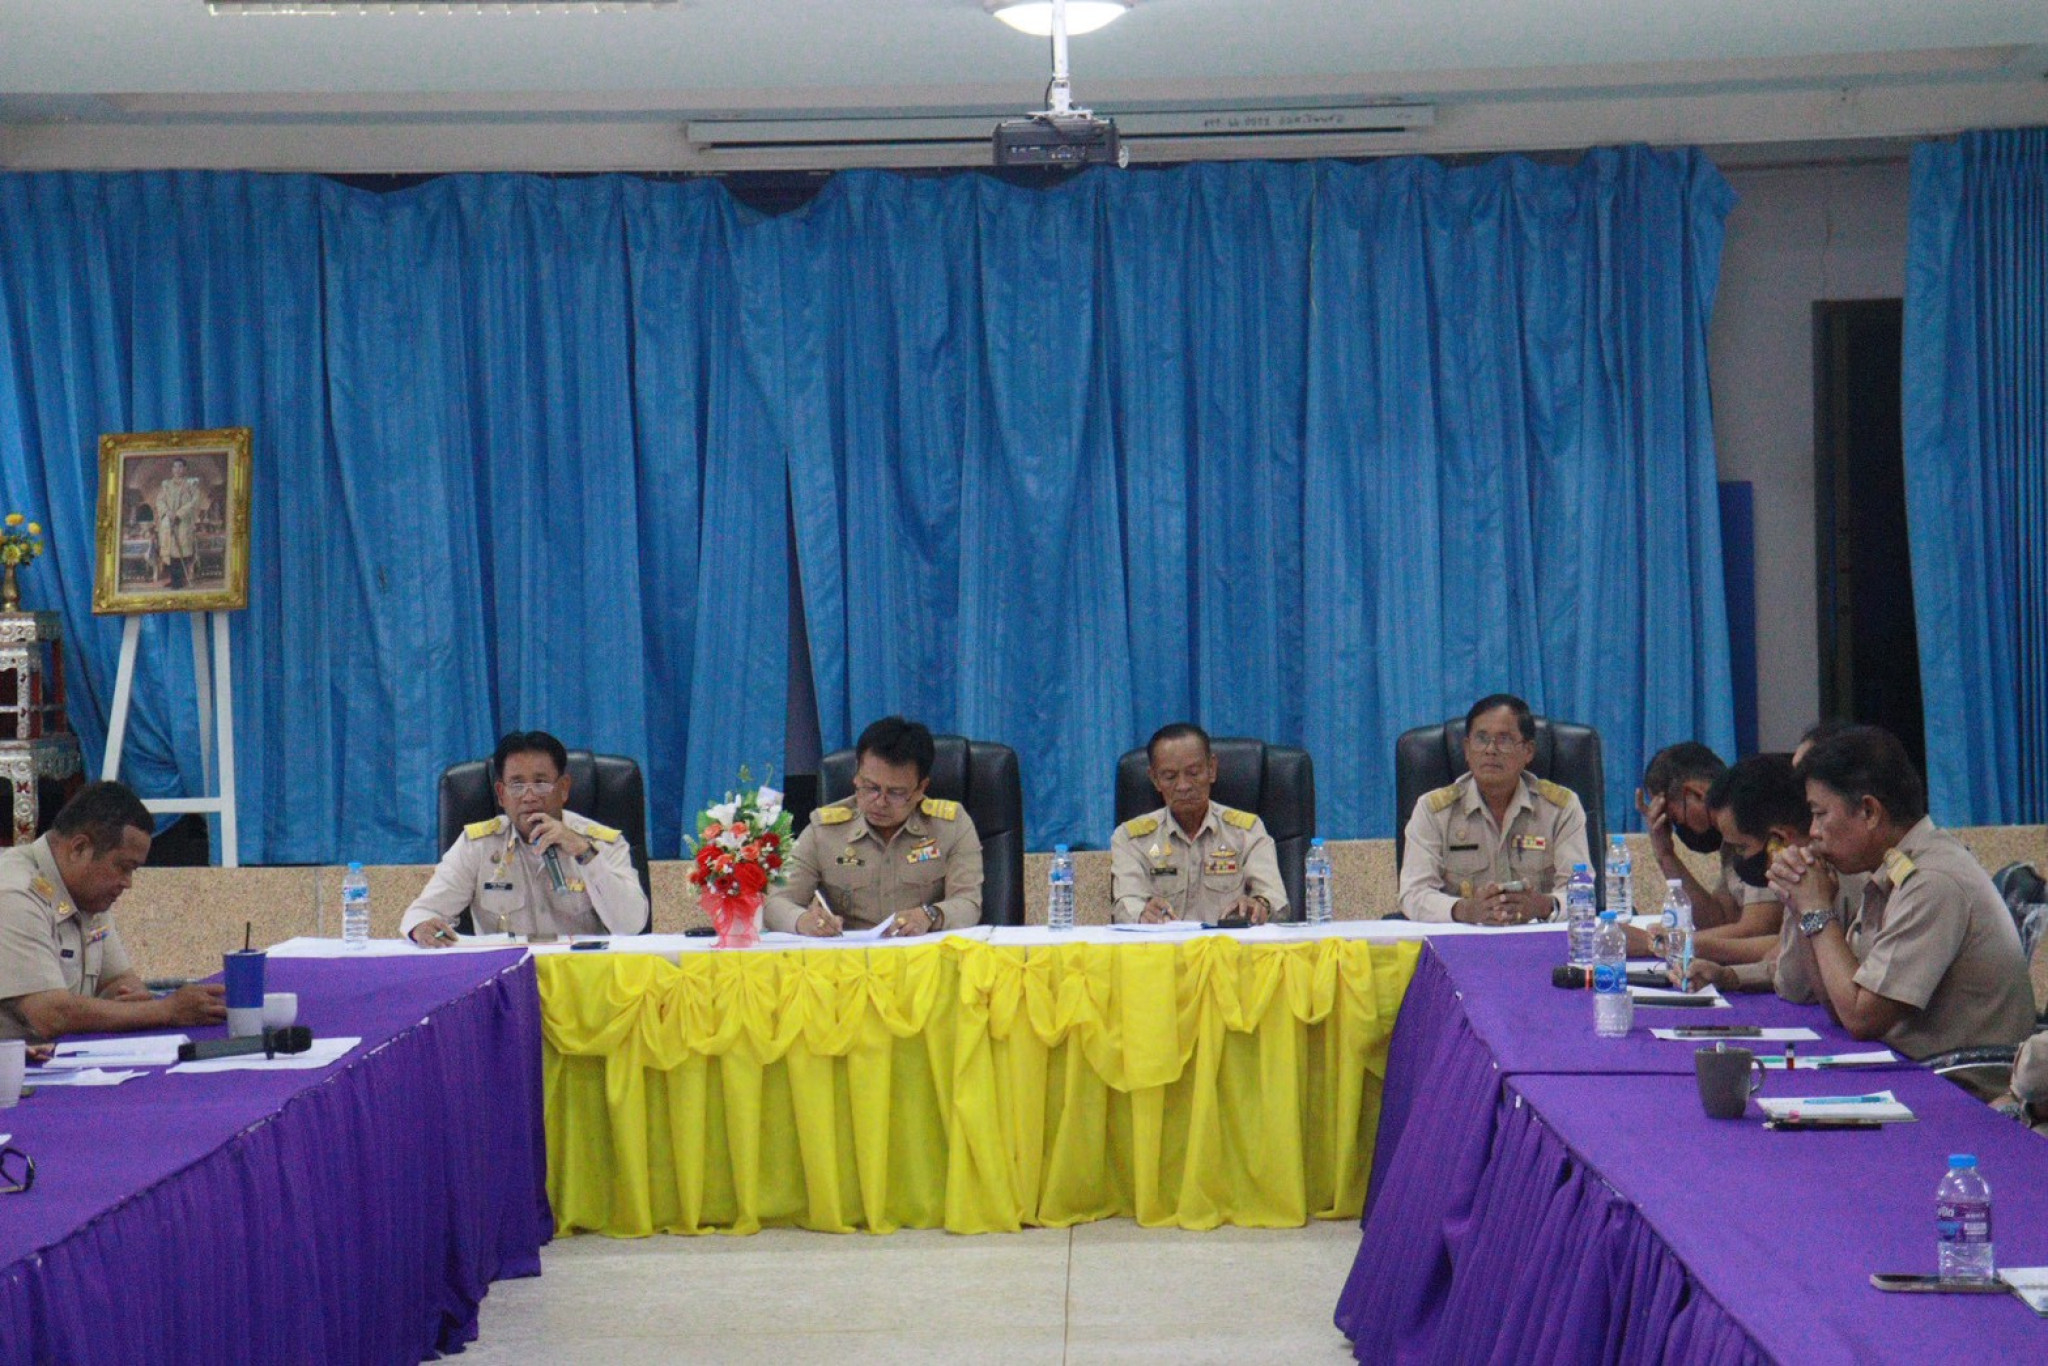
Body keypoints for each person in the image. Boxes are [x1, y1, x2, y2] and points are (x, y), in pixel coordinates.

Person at [1766, 726, 2033, 1061]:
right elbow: (1838, 1005)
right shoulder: (1892, 869)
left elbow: (1861, 1018)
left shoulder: (1932, 881)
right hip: (1916, 1065)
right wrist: (1802, 906)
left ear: (1869, 811)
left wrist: (1817, 911)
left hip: (1963, 1083)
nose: (1814, 832)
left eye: (1820, 814)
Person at [0, 781, 226, 1042]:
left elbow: (117, 979)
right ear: (79, 848)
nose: (128, 883)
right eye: (122, 867)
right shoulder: (15, 893)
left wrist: (133, 999)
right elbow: (48, 1014)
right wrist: (164, 1010)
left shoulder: (87, 893)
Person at [403, 731, 649, 945]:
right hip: (507, 976)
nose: (529, 796)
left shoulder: (600, 843)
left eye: (541, 783)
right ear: (501, 794)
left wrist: (584, 852)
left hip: (583, 975)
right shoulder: (477, 845)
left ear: (563, 788)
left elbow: (631, 926)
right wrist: (422, 928)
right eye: (517, 785)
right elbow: (421, 913)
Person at [764, 717, 982, 938]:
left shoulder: (951, 825)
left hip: (925, 952)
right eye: (870, 787)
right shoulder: (824, 831)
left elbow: (968, 904)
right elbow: (776, 903)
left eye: (896, 793)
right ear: (856, 777)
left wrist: (930, 916)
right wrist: (803, 921)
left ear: (920, 788)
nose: (880, 802)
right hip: (851, 955)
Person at [1399, 693, 1590, 924]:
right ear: (1467, 749)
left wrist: (1543, 906)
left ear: (1528, 751)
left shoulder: (1561, 808)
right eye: (1481, 739)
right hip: (1463, 940)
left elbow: (1583, 894)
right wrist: (1465, 910)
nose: (1490, 750)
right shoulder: (1433, 810)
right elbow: (1413, 894)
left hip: (1537, 937)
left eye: (1504, 740)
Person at [1110, 723, 1287, 924]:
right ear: (1155, 779)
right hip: (1163, 943)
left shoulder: (1247, 831)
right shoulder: (1130, 838)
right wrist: (1142, 913)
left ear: (1211, 769)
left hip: (1229, 943)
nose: (1183, 786)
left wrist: (1260, 906)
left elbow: (1275, 898)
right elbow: (1126, 903)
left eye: (1193, 773)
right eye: (1170, 777)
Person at [1635, 742, 1755, 930]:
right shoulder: (1730, 843)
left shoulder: (1755, 828)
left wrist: (1667, 940)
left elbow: (1756, 930)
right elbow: (1717, 920)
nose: (1677, 828)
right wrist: (1665, 853)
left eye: (1674, 818)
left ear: (1696, 794)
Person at [153, 457, 203, 589]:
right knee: (170, 551)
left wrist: (179, 514)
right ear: (172, 469)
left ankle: (180, 580)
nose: (177, 469)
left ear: (185, 469)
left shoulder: (191, 485)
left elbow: (194, 502)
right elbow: (160, 501)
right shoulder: (166, 485)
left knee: (181, 549)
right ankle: (173, 579)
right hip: (168, 522)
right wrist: (167, 512)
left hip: (183, 522)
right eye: (175, 467)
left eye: (180, 466)